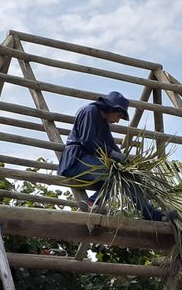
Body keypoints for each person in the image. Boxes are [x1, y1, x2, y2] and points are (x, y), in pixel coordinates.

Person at [57, 92, 172, 221]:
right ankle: (92, 203)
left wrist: (126, 164)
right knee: (117, 176)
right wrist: (112, 154)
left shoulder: (104, 123)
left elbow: (111, 145)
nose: (117, 120)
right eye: (118, 116)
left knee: (126, 177)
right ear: (110, 108)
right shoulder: (90, 111)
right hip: (76, 161)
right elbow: (87, 140)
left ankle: (150, 213)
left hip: (89, 161)